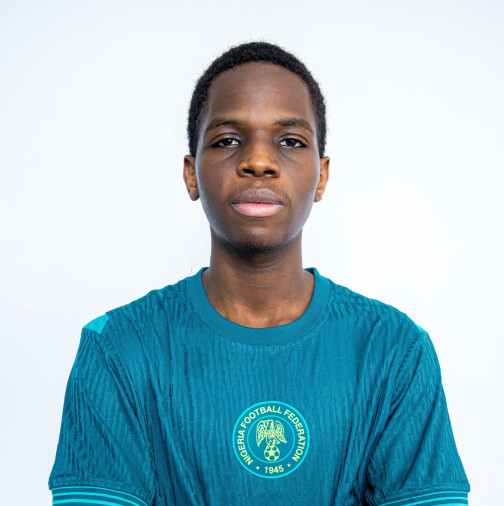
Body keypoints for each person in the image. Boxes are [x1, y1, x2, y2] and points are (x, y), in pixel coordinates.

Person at [49, 42, 470, 506]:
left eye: (290, 141)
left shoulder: (394, 349)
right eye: (228, 140)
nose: (259, 161)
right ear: (191, 174)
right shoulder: (119, 348)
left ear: (321, 176)